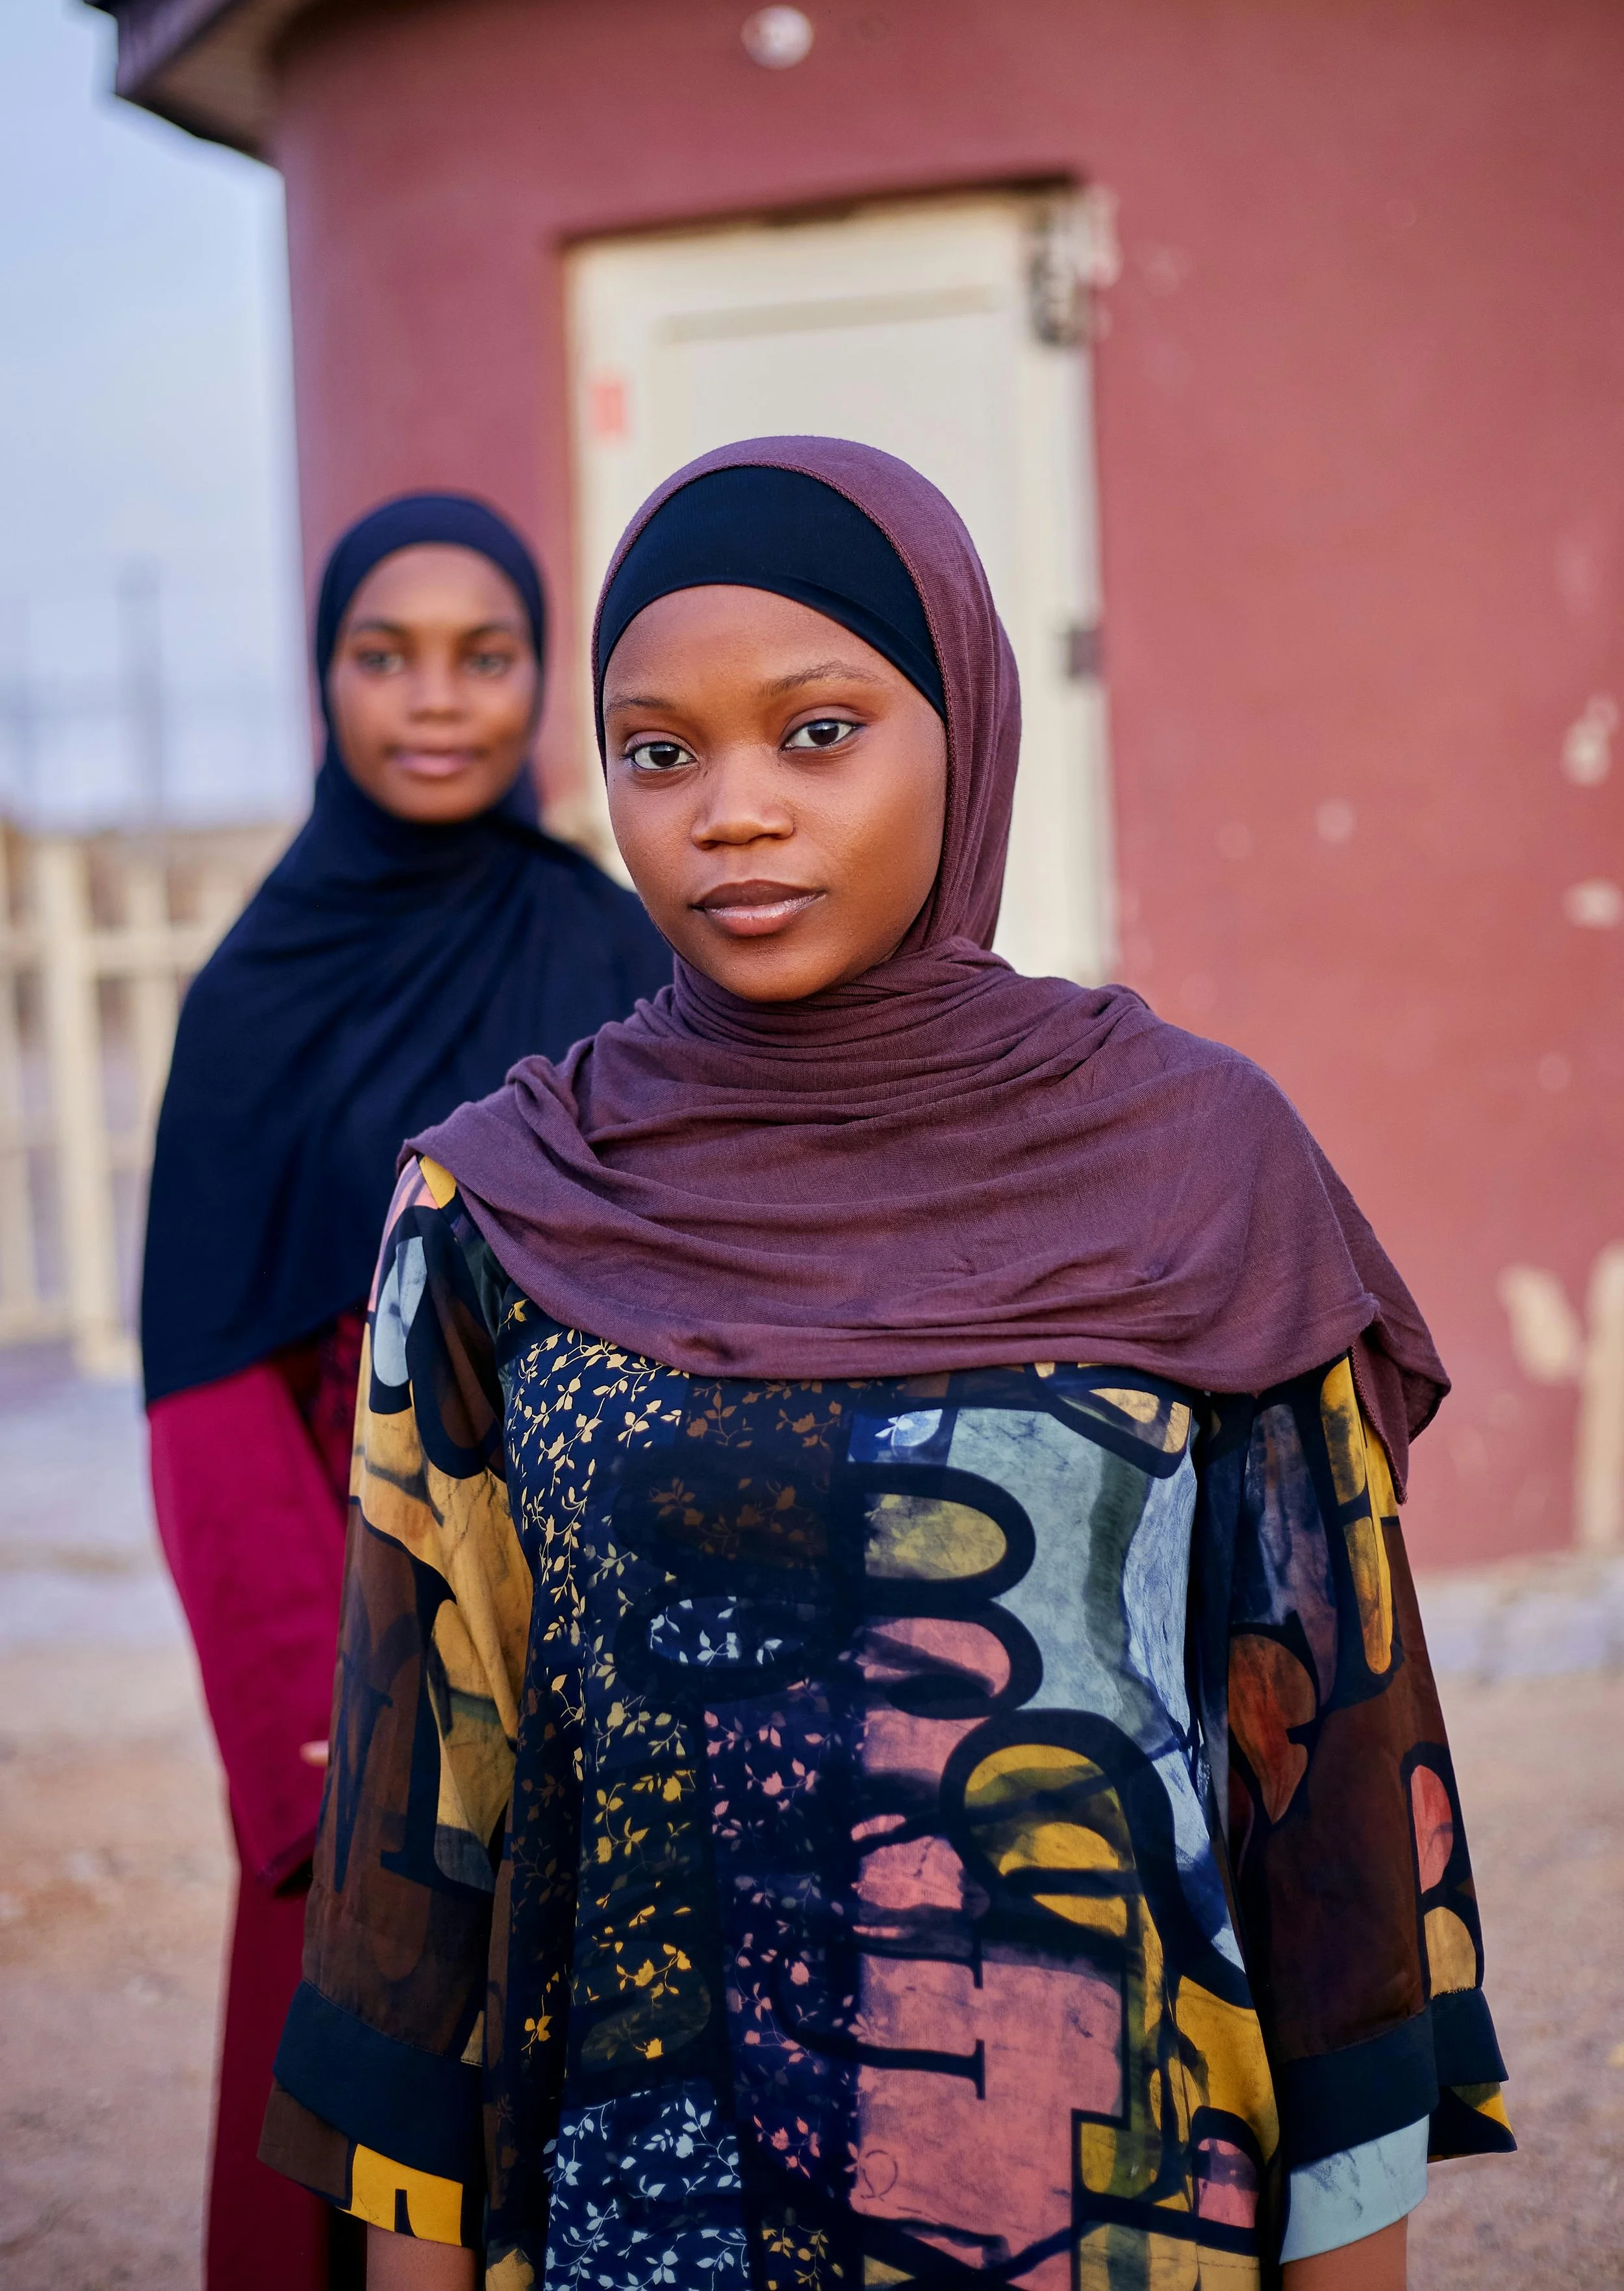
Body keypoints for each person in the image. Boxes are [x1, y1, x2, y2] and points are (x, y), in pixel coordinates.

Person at [260, 441, 1513, 2291]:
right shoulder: (505, 1204)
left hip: (1115, 2221)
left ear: (966, 732)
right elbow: (414, 1852)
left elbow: (1331, 1809)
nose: (732, 812)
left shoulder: (1193, 1172)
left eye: (819, 733)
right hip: (653, 2221)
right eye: (657, 751)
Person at [141, 492, 671, 2291]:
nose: (435, 699)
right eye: (387, 655)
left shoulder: (621, 954)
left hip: (597, 1613)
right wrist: (334, 1724)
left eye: (484, 656)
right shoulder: (254, 994)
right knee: (371, 2105)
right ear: (325, 678)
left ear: (542, 681)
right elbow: (207, 1386)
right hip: (360, 1634)